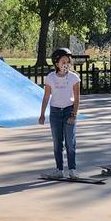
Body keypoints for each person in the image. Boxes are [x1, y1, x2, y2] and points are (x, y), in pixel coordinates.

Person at [39, 48, 82, 178]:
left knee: (70, 141)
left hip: (69, 110)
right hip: (55, 112)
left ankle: (72, 169)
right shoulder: (50, 77)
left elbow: (77, 98)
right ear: (56, 62)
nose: (66, 64)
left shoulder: (74, 77)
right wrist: (42, 114)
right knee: (57, 142)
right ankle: (59, 169)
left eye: (68, 61)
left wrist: (73, 114)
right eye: (63, 61)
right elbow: (46, 96)